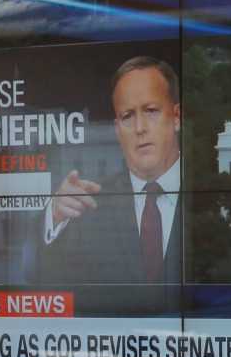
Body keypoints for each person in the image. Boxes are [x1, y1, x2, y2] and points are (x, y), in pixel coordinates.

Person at [35, 56, 182, 288]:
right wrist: (55, 217)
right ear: (117, 130)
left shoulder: (213, 196)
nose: (139, 128)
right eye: (128, 116)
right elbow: (42, 280)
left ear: (176, 117)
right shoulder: (89, 208)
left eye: (151, 111)